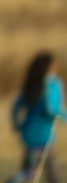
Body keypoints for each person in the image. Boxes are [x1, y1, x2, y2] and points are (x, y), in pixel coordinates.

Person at [10, 51, 63, 183]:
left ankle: (15, 180)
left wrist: (18, 126)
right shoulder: (52, 85)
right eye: (54, 66)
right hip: (45, 137)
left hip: (29, 137)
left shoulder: (31, 86)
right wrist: (63, 116)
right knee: (53, 176)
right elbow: (52, 109)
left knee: (28, 173)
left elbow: (16, 107)